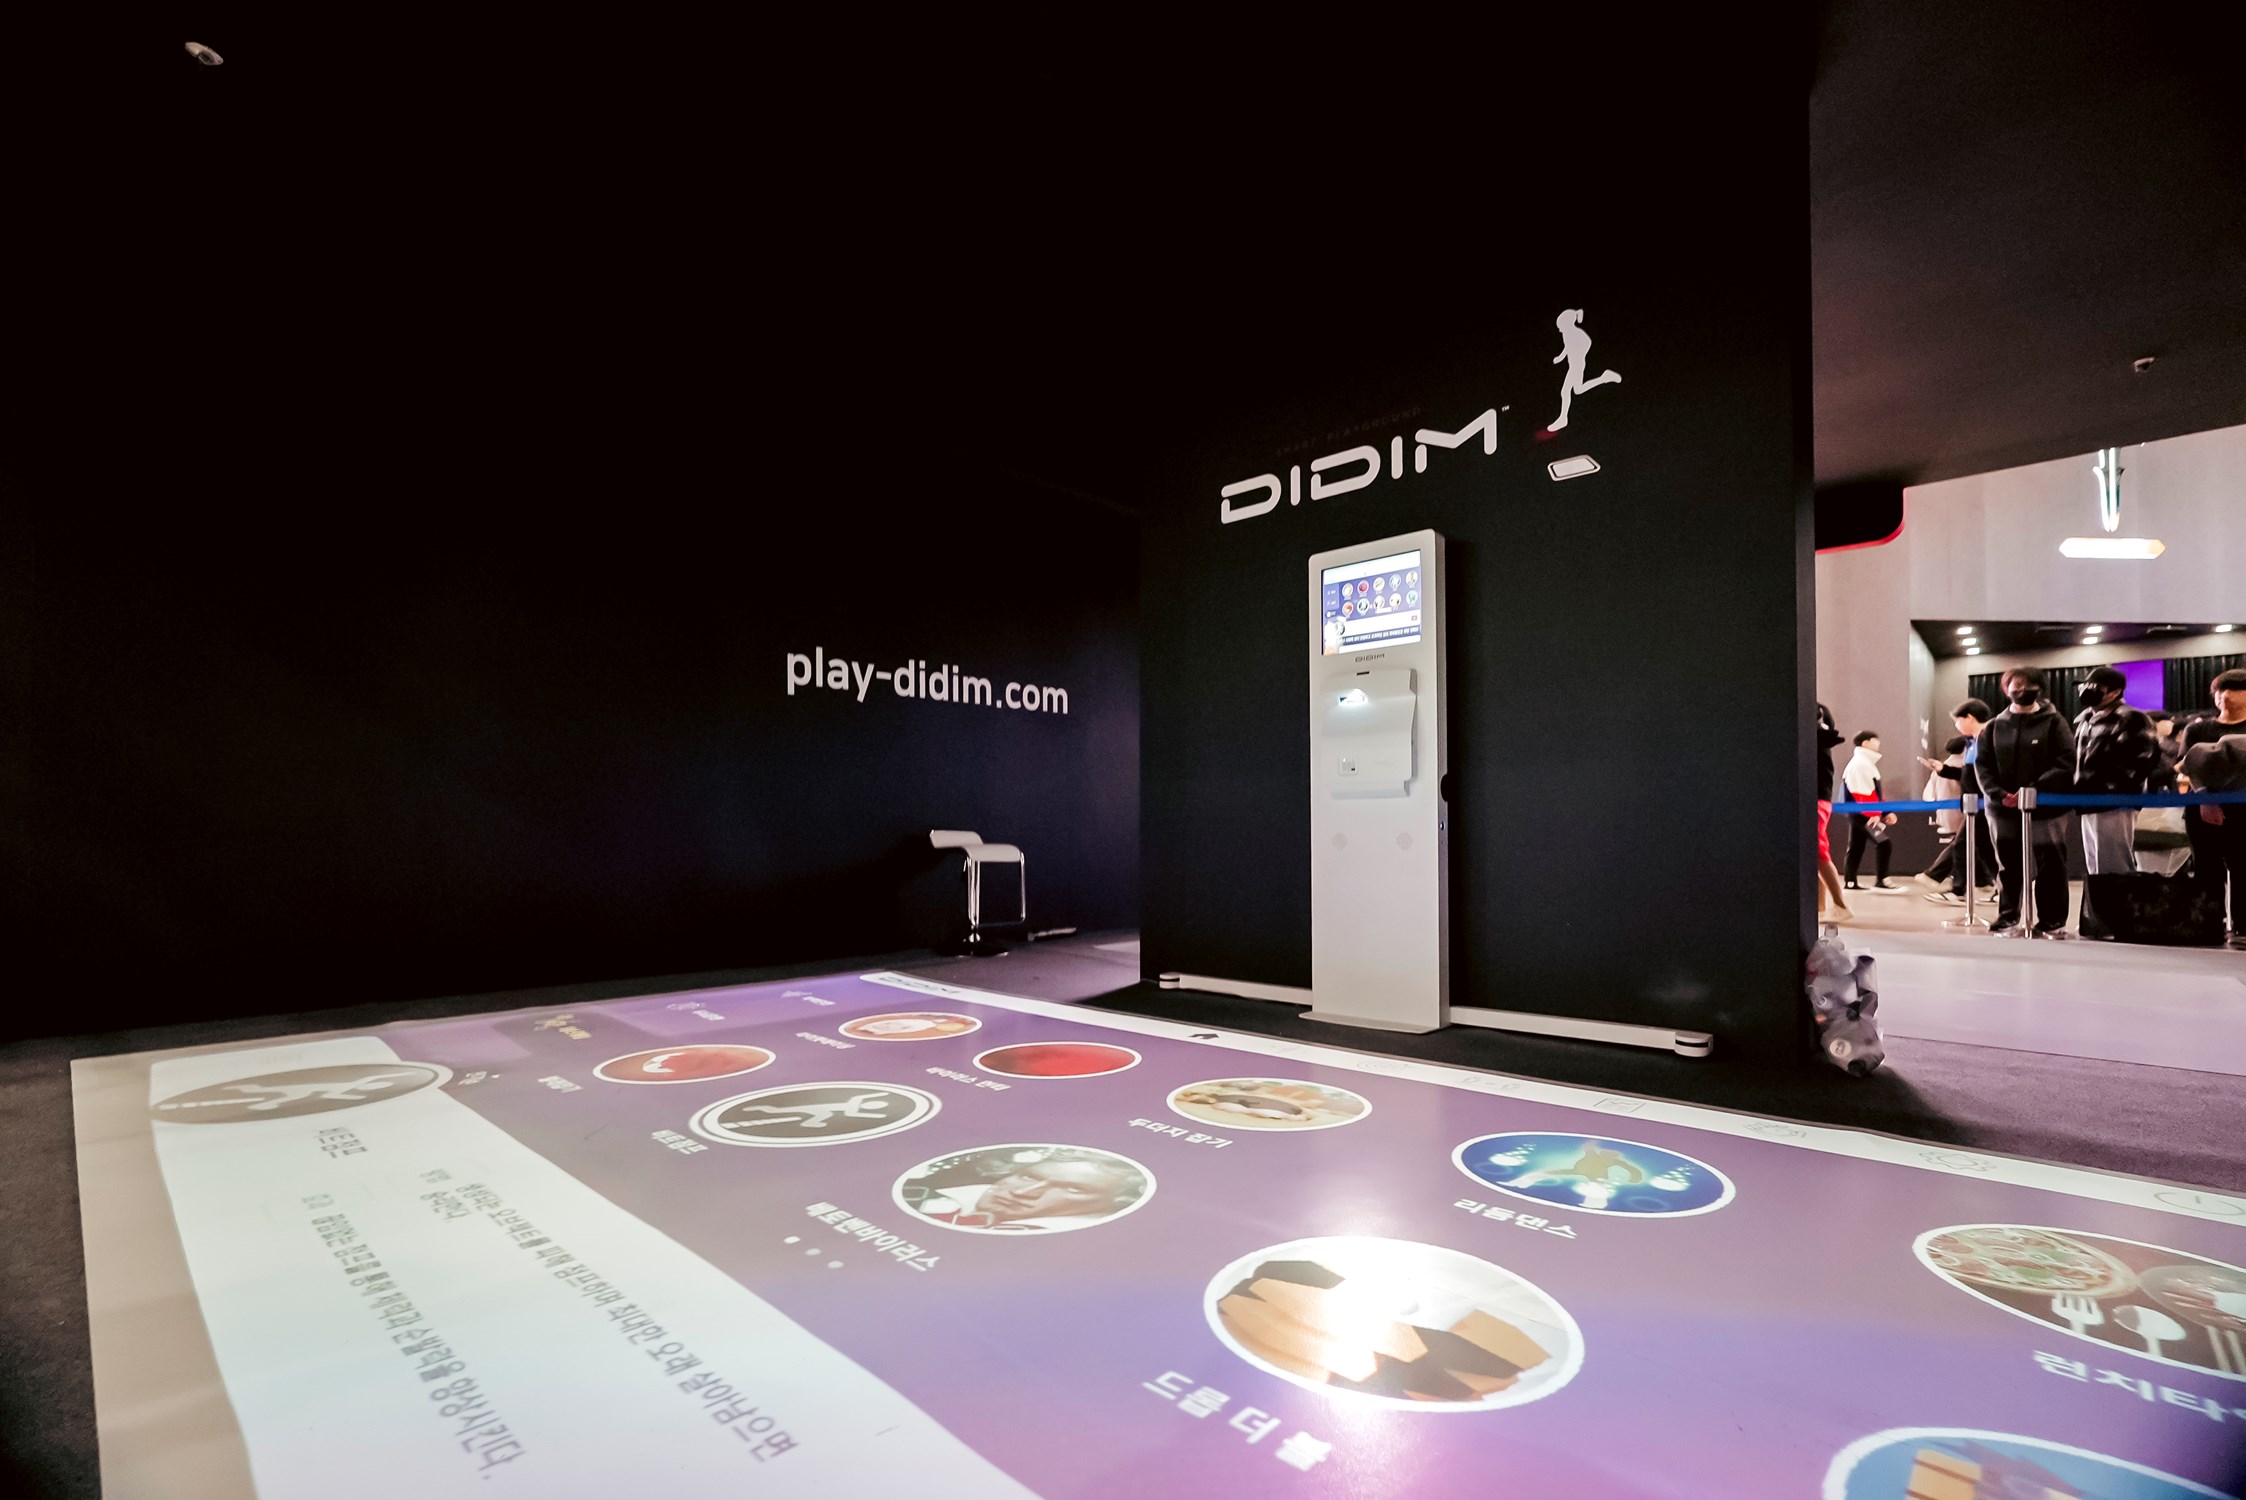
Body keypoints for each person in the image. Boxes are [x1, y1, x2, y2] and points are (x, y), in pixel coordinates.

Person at [1976, 667, 2076, 936]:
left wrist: (2034, 789)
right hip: (2002, 809)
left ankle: (2052, 920)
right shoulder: (1994, 726)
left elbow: (2065, 761)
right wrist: (1997, 793)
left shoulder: (2054, 722)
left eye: (2027, 685)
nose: (2021, 690)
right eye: (2015, 685)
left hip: (2046, 809)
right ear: (2005, 689)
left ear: (2039, 688)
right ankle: (2008, 916)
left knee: (2050, 864)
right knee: (2008, 865)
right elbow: (1982, 765)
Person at [2071, 665, 2159, 940]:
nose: (2087, 691)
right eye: (2085, 686)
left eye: (2095, 687)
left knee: (2115, 862)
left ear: (2115, 692)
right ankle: (2099, 921)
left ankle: (2121, 922)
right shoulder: (2084, 719)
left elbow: (2143, 760)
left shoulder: (2132, 718)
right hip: (2086, 801)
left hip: (2115, 800)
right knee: (2094, 863)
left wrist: (2112, 788)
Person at [2178, 667, 2246, 949]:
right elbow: (2185, 767)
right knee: (2207, 868)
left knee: (2243, 867)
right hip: (2203, 808)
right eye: (2219, 690)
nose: (2224, 696)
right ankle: (2209, 924)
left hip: (2242, 809)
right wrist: (2205, 798)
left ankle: (2242, 927)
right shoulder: (2198, 729)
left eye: (2234, 689)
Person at [908, 1151, 1146, 1231]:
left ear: (1115, 1202)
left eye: (1074, 1189)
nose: (1024, 1192)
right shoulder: (918, 1193)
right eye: (1028, 1176)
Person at [1840, 731, 1900, 891]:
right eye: (1875, 740)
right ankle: (1882, 880)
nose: (1878, 743)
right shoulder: (1861, 764)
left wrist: (1885, 812)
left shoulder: (1864, 763)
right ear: (1865, 743)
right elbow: (1863, 793)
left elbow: (1874, 793)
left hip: (1859, 813)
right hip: (1863, 814)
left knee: (1856, 846)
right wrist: (1874, 814)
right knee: (1884, 844)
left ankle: (1850, 881)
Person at [1814, 703, 1851, 919]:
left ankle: (1840, 905)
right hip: (1820, 799)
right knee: (1815, 854)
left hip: (1816, 799)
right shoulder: (1820, 738)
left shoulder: (1815, 738)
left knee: (1818, 852)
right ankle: (1820, 907)